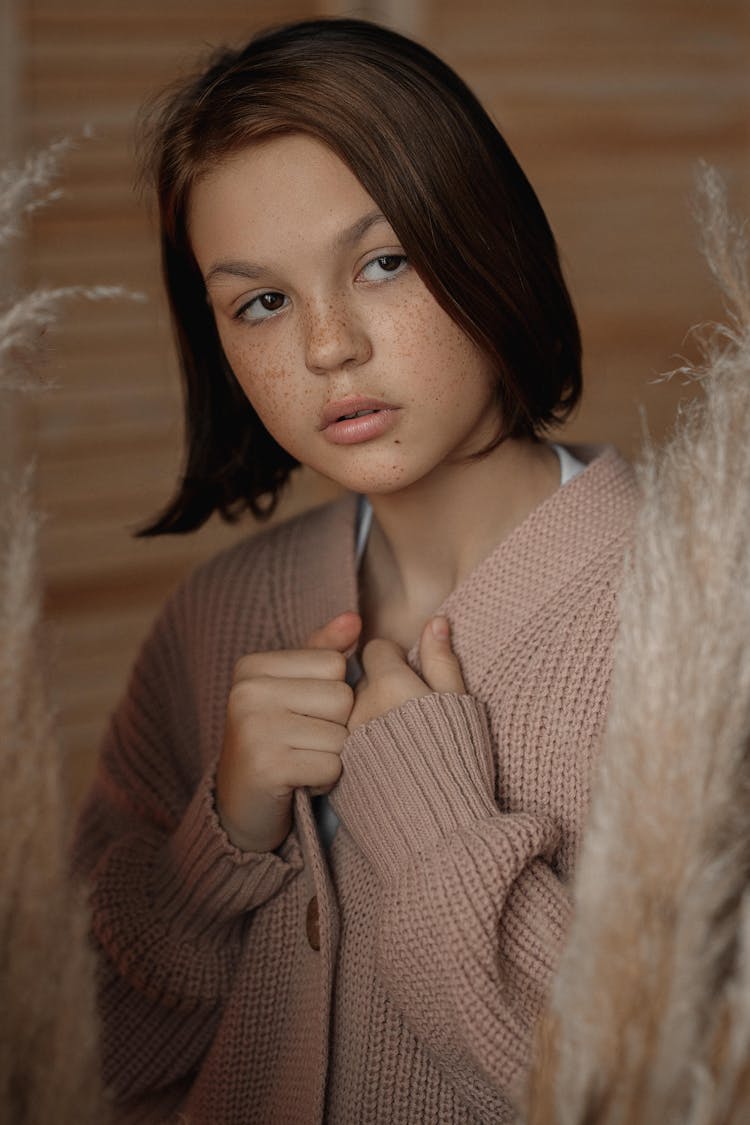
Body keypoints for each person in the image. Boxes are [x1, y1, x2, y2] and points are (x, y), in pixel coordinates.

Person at [73, 17, 639, 1125]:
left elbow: (665, 1085)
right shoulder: (216, 616)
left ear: (490, 244)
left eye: (385, 262)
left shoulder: (709, 612)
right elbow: (85, 1055)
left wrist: (436, 831)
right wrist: (220, 844)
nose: (328, 345)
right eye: (263, 302)